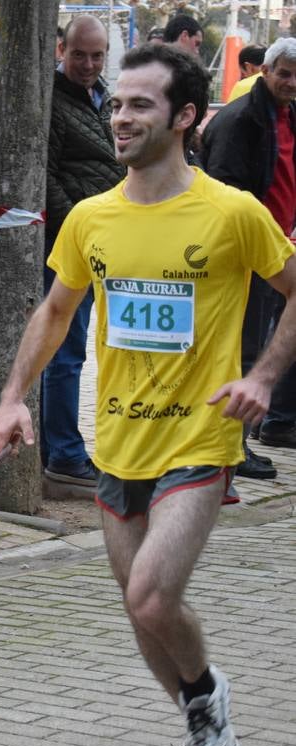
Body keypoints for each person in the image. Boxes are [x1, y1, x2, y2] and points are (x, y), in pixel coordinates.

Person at [0, 43, 296, 746]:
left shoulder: (232, 212)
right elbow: (56, 311)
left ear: (186, 117)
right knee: (139, 606)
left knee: (153, 596)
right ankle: (203, 726)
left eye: (140, 105)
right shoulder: (93, 217)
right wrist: (12, 397)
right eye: (117, 104)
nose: (121, 117)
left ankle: (206, 698)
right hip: (120, 439)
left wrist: (261, 378)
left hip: (200, 434)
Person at [202, 38, 296, 471]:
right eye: (284, 73)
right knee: (243, 348)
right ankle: (232, 447)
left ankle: (252, 433)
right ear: (265, 70)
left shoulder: (287, 116)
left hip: (277, 250)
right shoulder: (241, 119)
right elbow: (222, 191)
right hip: (245, 256)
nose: (290, 83)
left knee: (264, 342)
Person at [40, 15, 125, 489]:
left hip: (113, 244)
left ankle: (64, 448)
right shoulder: (53, 101)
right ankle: (66, 455)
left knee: (85, 351)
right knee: (65, 353)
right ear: (62, 51)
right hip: (73, 245)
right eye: (79, 54)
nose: (89, 64)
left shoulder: (104, 99)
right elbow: (47, 176)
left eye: (97, 55)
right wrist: (80, 228)